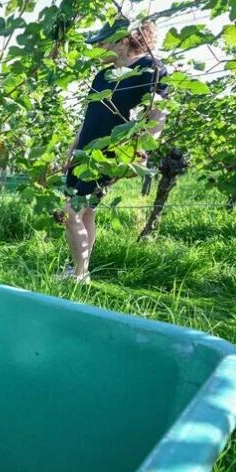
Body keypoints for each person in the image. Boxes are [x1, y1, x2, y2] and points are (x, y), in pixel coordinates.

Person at [62, 18, 168, 282]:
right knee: (86, 211)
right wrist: (72, 149)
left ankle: (79, 275)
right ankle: (80, 270)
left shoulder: (149, 68)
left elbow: (158, 114)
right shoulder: (102, 75)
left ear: (122, 41)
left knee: (70, 211)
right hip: (84, 153)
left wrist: (140, 147)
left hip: (108, 153)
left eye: (101, 44)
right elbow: (90, 118)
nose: (96, 50)